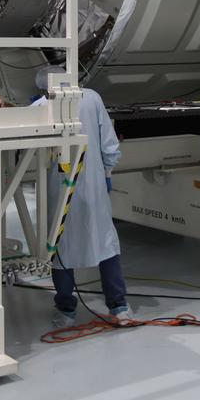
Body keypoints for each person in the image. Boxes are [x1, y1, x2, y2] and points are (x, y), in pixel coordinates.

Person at [33, 66, 132, 328]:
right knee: (105, 243)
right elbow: (108, 142)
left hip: (58, 189)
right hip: (94, 185)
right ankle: (119, 307)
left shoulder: (40, 106)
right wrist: (108, 171)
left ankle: (66, 311)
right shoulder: (91, 98)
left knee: (61, 247)